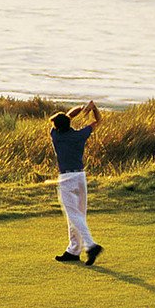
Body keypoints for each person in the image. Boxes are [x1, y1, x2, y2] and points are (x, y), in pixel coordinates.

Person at [51, 101, 104, 266]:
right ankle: (73, 251)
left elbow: (68, 116)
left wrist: (80, 109)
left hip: (66, 179)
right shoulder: (80, 135)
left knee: (73, 215)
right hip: (80, 177)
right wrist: (92, 108)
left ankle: (91, 246)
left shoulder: (55, 135)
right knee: (77, 215)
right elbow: (98, 121)